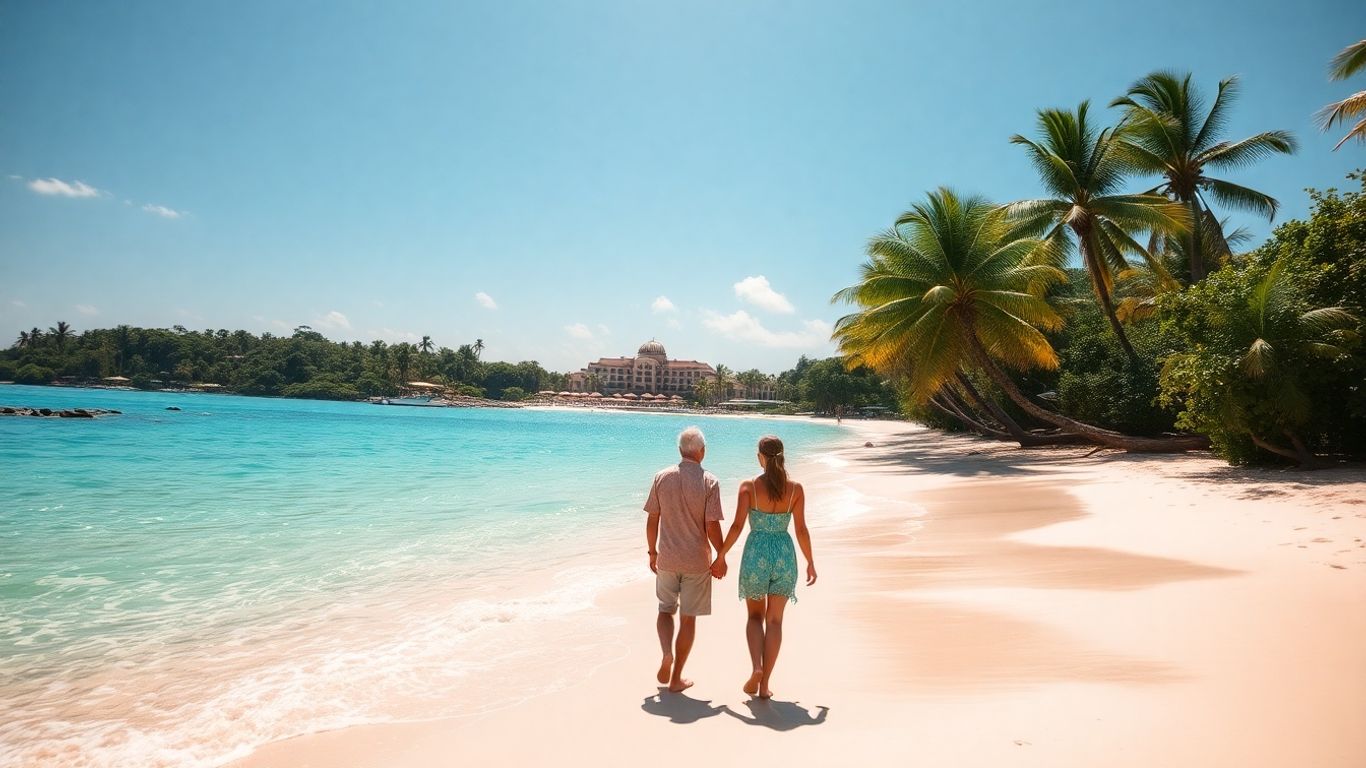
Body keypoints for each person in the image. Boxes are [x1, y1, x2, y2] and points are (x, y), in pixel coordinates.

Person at [711, 435, 816, 699]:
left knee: (755, 617)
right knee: (775, 621)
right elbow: (801, 529)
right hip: (784, 554)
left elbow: (736, 527)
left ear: (761, 456)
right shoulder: (796, 490)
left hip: (756, 554)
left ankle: (756, 667)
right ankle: (765, 683)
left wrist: (720, 556)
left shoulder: (748, 487)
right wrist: (810, 562)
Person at [645, 425, 724, 693]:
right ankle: (676, 676)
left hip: (667, 557)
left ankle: (666, 652)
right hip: (696, 561)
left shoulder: (661, 477)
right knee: (688, 618)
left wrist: (652, 552)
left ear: (680, 450)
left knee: (665, 610)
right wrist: (721, 556)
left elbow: (652, 518)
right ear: (702, 452)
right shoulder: (709, 481)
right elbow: (712, 525)